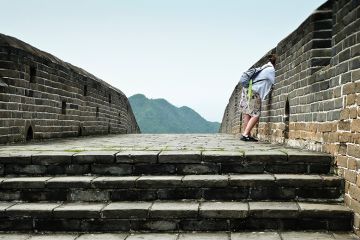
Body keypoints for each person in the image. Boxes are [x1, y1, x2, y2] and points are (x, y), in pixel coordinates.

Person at [239, 54, 276, 142]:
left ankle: (247, 134)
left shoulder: (264, 67)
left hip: (247, 89)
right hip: (254, 91)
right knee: (256, 114)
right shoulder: (271, 70)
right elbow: (276, 81)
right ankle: (245, 134)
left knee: (247, 113)